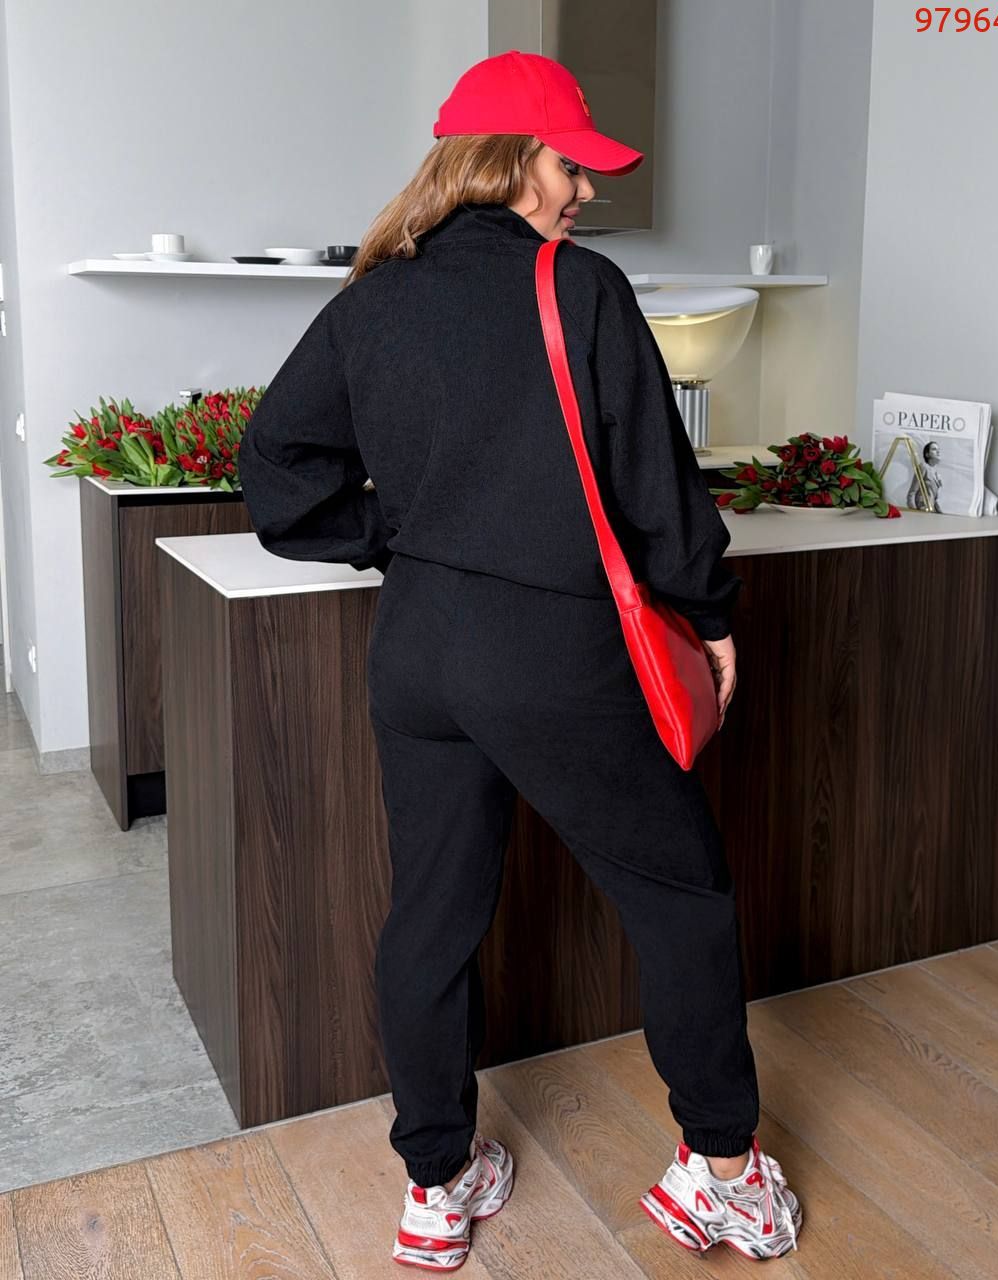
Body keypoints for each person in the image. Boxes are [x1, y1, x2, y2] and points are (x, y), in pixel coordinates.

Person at [238, 48, 802, 1269]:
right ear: (504, 161)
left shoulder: (372, 298)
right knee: (682, 896)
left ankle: (435, 1181)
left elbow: (274, 471)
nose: (582, 192)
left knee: (431, 914)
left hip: (416, 652)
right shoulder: (578, 288)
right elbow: (659, 489)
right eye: (568, 166)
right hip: (550, 652)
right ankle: (724, 1174)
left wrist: (391, 536)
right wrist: (710, 615)